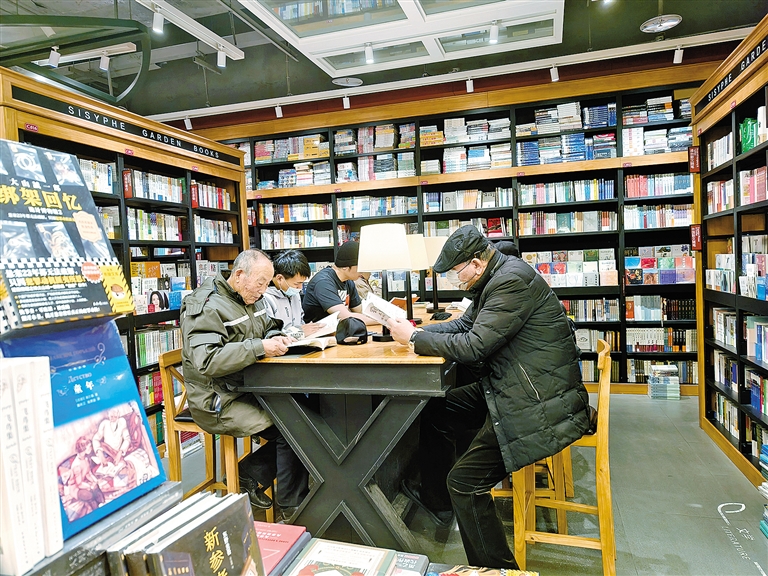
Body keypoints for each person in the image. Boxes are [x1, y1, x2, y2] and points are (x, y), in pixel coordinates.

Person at [388, 225, 592, 570]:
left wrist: (415, 340)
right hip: (514, 388)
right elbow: (463, 326)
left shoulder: (509, 281)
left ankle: (498, 570)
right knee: (436, 409)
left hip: (534, 403)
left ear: (476, 263)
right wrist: (417, 332)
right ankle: (437, 500)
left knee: (464, 484)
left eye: (456, 273)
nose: (455, 280)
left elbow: (474, 345)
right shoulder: (494, 278)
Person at [180, 249, 309, 516]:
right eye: (260, 283)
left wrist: (276, 337)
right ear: (239, 275)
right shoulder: (207, 306)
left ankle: (251, 476)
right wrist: (259, 347)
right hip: (218, 400)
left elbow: (268, 327)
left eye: (266, 283)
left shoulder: (252, 298)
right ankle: (289, 505)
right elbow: (207, 360)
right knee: (292, 426)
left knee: (304, 414)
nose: (263, 291)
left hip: (248, 387)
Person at [302, 241, 379, 325]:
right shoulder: (323, 282)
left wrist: (384, 315)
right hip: (319, 331)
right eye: (359, 267)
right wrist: (384, 321)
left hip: (338, 330)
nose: (362, 271)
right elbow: (346, 317)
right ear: (345, 267)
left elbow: (360, 311)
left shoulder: (349, 281)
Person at [263, 249, 321, 339]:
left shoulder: (294, 293)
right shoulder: (265, 298)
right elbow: (270, 335)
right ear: (279, 278)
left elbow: (300, 321)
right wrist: (299, 332)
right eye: (297, 284)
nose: (300, 288)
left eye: (302, 283)